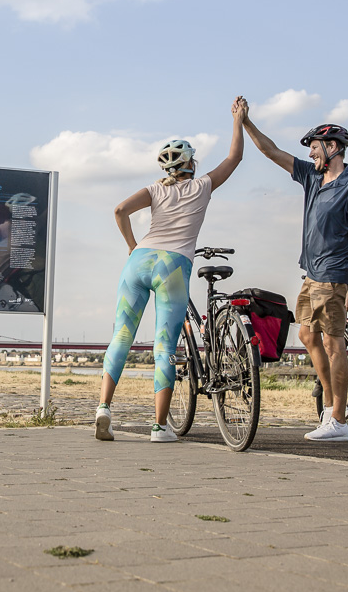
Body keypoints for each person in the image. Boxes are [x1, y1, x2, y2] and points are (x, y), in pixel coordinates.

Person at [96, 98, 246, 442]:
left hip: (139, 261)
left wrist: (132, 246)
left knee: (121, 336)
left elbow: (119, 210)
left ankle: (104, 408)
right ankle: (160, 427)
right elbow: (234, 158)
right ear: (191, 163)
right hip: (173, 266)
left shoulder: (154, 190)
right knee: (163, 348)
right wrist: (237, 120)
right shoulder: (202, 185)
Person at [240, 109, 348, 442]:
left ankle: (339, 422)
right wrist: (245, 122)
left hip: (334, 277)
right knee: (306, 336)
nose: (311, 153)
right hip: (311, 274)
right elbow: (271, 151)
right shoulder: (312, 177)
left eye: (314, 147)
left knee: (333, 344)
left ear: (332, 147)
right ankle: (329, 409)